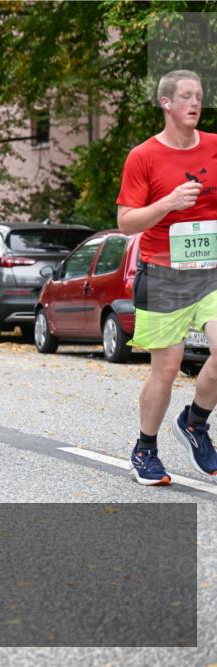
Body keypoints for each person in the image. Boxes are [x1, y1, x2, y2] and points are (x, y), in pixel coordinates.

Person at [116, 69, 217, 485]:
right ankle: (145, 448)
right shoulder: (144, 156)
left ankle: (195, 422)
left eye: (200, 96)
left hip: (211, 271)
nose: (195, 103)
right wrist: (169, 202)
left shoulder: (214, 147)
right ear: (167, 104)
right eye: (187, 97)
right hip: (162, 272)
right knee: (167, 366)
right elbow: (125, 222)